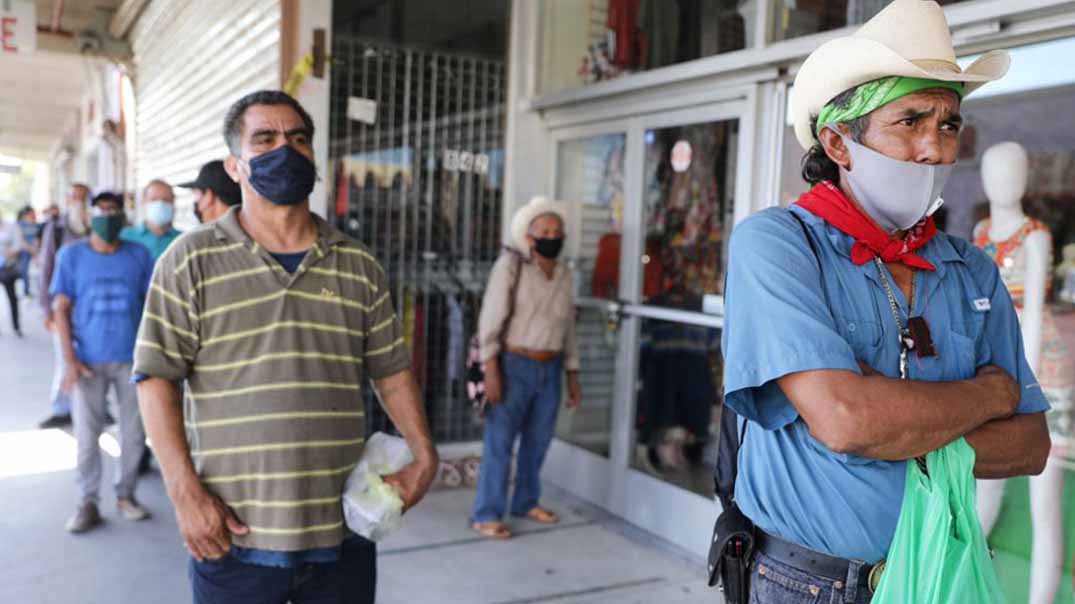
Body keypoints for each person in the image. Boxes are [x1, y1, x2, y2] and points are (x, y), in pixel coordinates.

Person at [719, 1, 1050, 602]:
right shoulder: (777, 244)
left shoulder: (969, 268)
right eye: (910, 121)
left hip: (940, 575)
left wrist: (891, 424)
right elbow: (848, 421)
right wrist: (986, 395)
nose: (935, 149)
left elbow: (1030, 446)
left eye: (949, 125)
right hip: (806, 584)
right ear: (839, 143)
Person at [133, 90, 438, 604]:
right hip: (235, 537)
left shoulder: (357, 264)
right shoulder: (190, 260)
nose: (285, 151)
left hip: (343, 531)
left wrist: (426, 455)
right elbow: (155, 377)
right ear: (235, 165)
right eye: (265, 139)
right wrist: (184, 495)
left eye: (298, 139)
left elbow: (390, 370)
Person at [470, 195, 582, 540]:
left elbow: (568, 327)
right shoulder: (511, 266)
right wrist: (491, 368)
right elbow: (490, 318)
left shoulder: (564, 274)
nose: (552, 236)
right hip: (512, 366)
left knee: (538, 441)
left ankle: (525, 501)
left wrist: (572, 374)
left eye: (557, 230)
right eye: (544, 230)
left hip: (550, 371)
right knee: (500, 442)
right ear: (530, 237)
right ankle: (487, 513)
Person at [50, 192, 154, 533]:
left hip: (132, 360)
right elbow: (60, 310)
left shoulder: (138, 256)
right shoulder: (72, 256)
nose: (108, 216)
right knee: (86, 436)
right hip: (87, 362)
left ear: (123, 217)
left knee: (134, 434)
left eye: (114, 210)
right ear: (90, 215)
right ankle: (88, 502)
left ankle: (126, 495)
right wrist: (69, 361)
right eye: (102, 210)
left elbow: (151, 307)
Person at [38, 184, 92, 429]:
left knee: (92, 358)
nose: (79, 202)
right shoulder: (57, 229)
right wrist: (46, 310)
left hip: (90, 308)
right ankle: (61, 408)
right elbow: (45, 268)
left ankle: (94, 407)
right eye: (74, 198)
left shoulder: (95, 226)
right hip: (62, 306)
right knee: (64, 357)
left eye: (83, 198)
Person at [120, 180, 182, 261]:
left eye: (166, 200)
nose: (160, 204)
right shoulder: (124, 236)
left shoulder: (182, 240)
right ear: (144, 202)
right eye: (154, 199)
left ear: (173, 203)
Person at [178, 159, 242, 224]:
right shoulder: (247, 228)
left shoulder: (208, 233)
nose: (195, 202)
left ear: (209, 196)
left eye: (196, 194)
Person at [0, 212, 28, 337]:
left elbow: (19, 244)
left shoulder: (11, 226)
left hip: (8, 267)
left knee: (12, 298)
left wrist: (10, 252)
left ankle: (16, 327)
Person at [15, 206, 39, 297]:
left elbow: (36, 237)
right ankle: (26, 290)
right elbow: (20, 240)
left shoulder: (34, 224)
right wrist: (31, 249)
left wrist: (35, 249)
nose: (33, 215)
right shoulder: (19, 224)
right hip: (25, 250)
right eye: (31, 213)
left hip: (35, 250)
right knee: (24, 270)